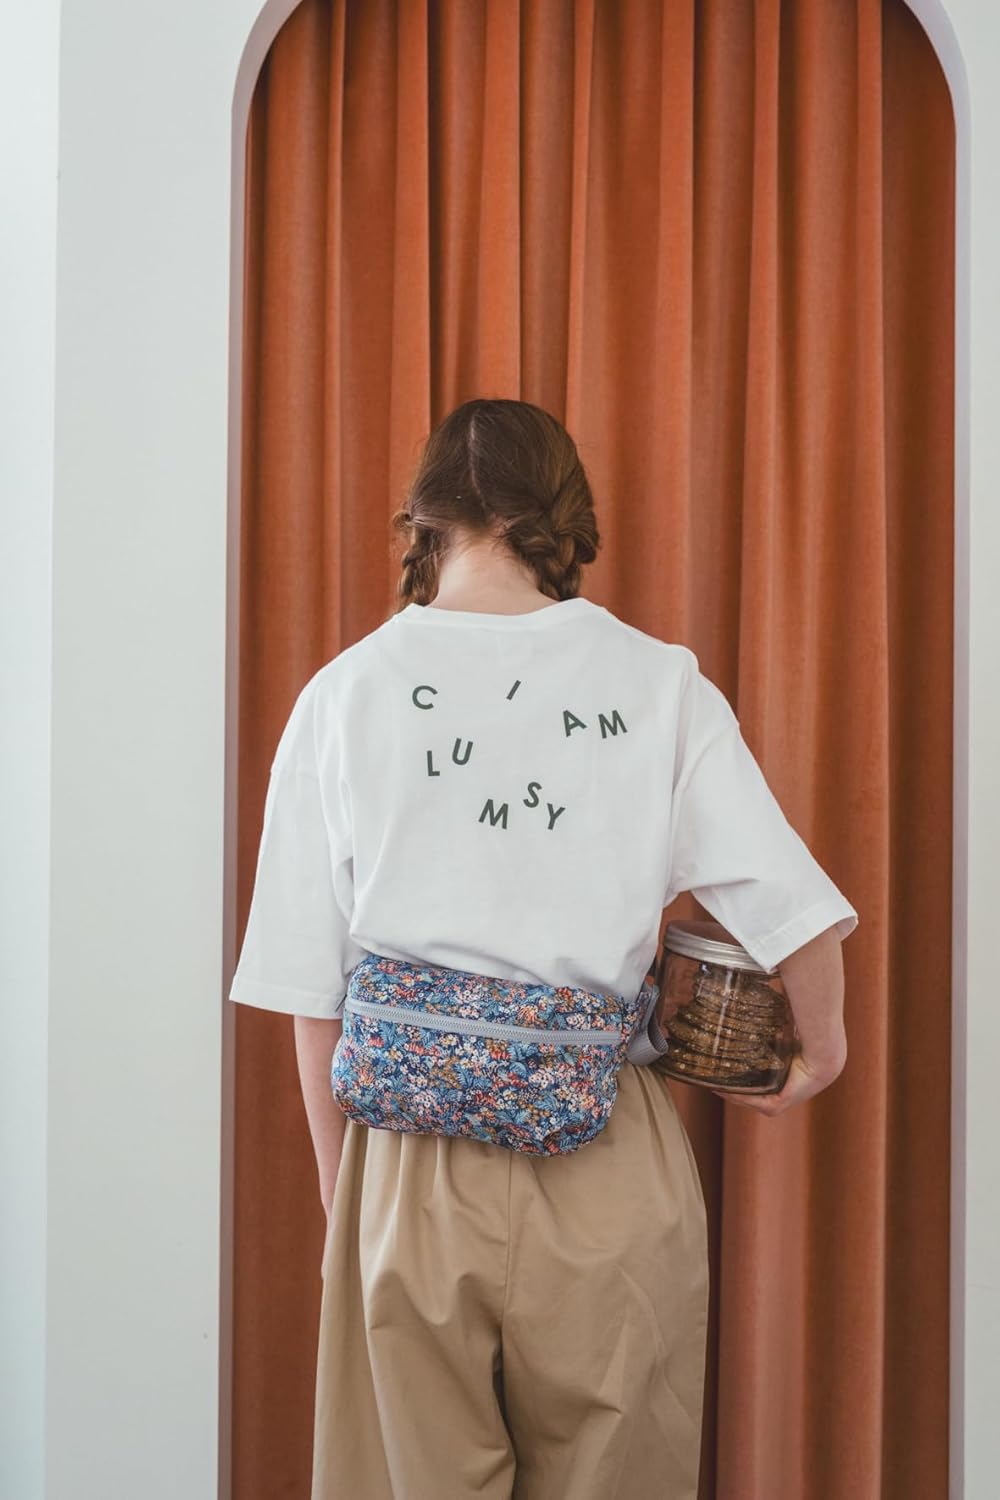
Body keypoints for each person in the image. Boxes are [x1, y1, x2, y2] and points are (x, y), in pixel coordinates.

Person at [228, 397, 859, 1499]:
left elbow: (309, 989)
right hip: (603, 1141)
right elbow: (786, 904)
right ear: (562, 515)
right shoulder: (658, 682)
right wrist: (823, 1047)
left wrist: (349, 1201)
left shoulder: (344, 693)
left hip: (407, 1156)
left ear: (424, 517)